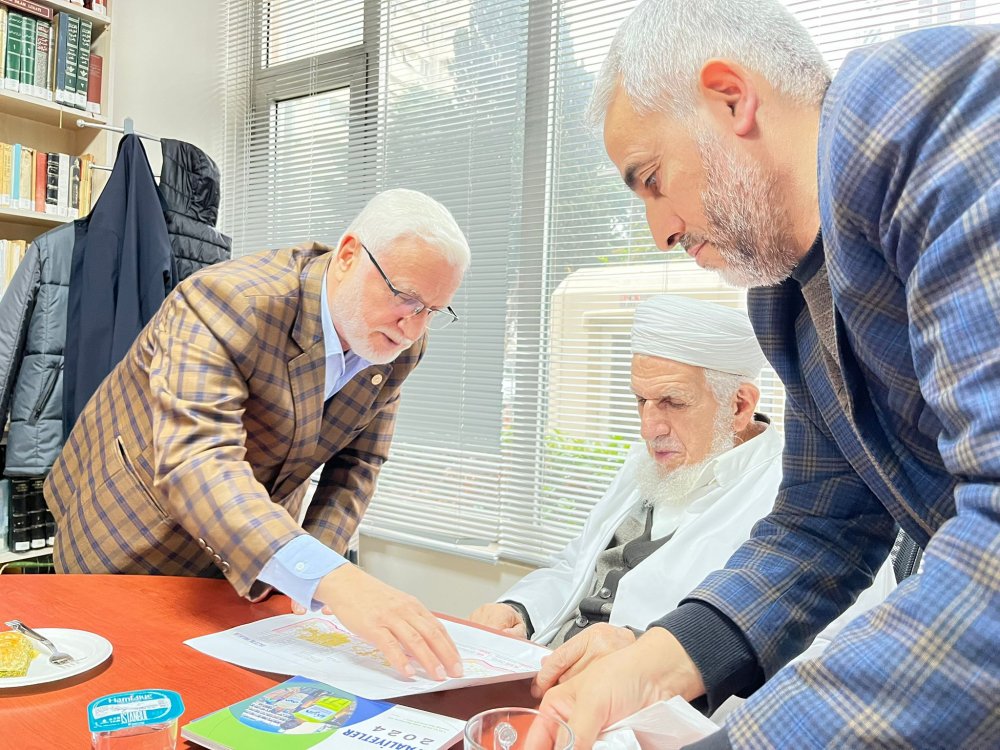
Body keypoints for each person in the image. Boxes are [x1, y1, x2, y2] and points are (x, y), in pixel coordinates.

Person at [535, 2, 1000, 748]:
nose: (660, 232)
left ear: (731, 98)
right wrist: (653, 664)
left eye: (653, 179)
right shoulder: (787, 299)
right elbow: (823, 526)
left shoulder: (936, 121)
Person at [44, 188, 470, 682]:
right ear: (349, 255)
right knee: (119, 692)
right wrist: (333, 579)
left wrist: (314, 578)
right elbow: (198, 460)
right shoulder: (227, 301)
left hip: (263, 553)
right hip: (136, 536)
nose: (413, 328)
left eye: (432, 310)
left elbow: (357, 465)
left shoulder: (400, 342)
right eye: (406, 298)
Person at [472, 295, 892, 702]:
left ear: (739, 406)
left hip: (648, 710)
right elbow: (576, 565)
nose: (648, 428)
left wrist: (649, 654)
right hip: (548, 673)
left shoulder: (808, 498)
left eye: (672, 402)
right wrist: (519, 610)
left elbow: (838, 657)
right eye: (641, 401)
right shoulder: (648, 463)